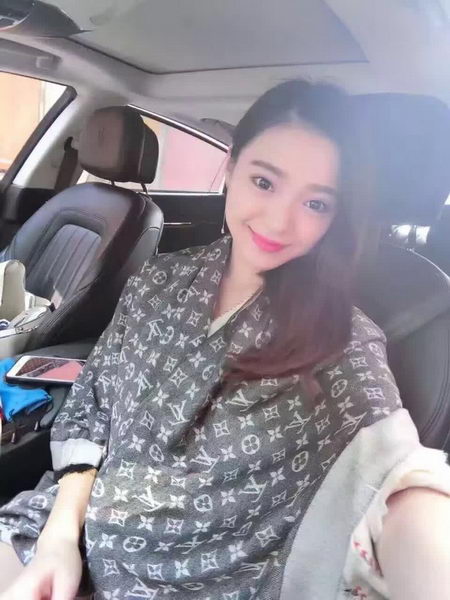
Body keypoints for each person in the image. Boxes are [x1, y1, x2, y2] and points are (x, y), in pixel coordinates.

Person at [0, 80, 449, 600]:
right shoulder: (157, 282)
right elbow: (94, 412)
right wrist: (58, 539)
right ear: (232, 168)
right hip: (69, 528)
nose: (279, 221)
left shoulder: (344, 340)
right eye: (264, 182)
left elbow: (398, 476)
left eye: (316, 203)